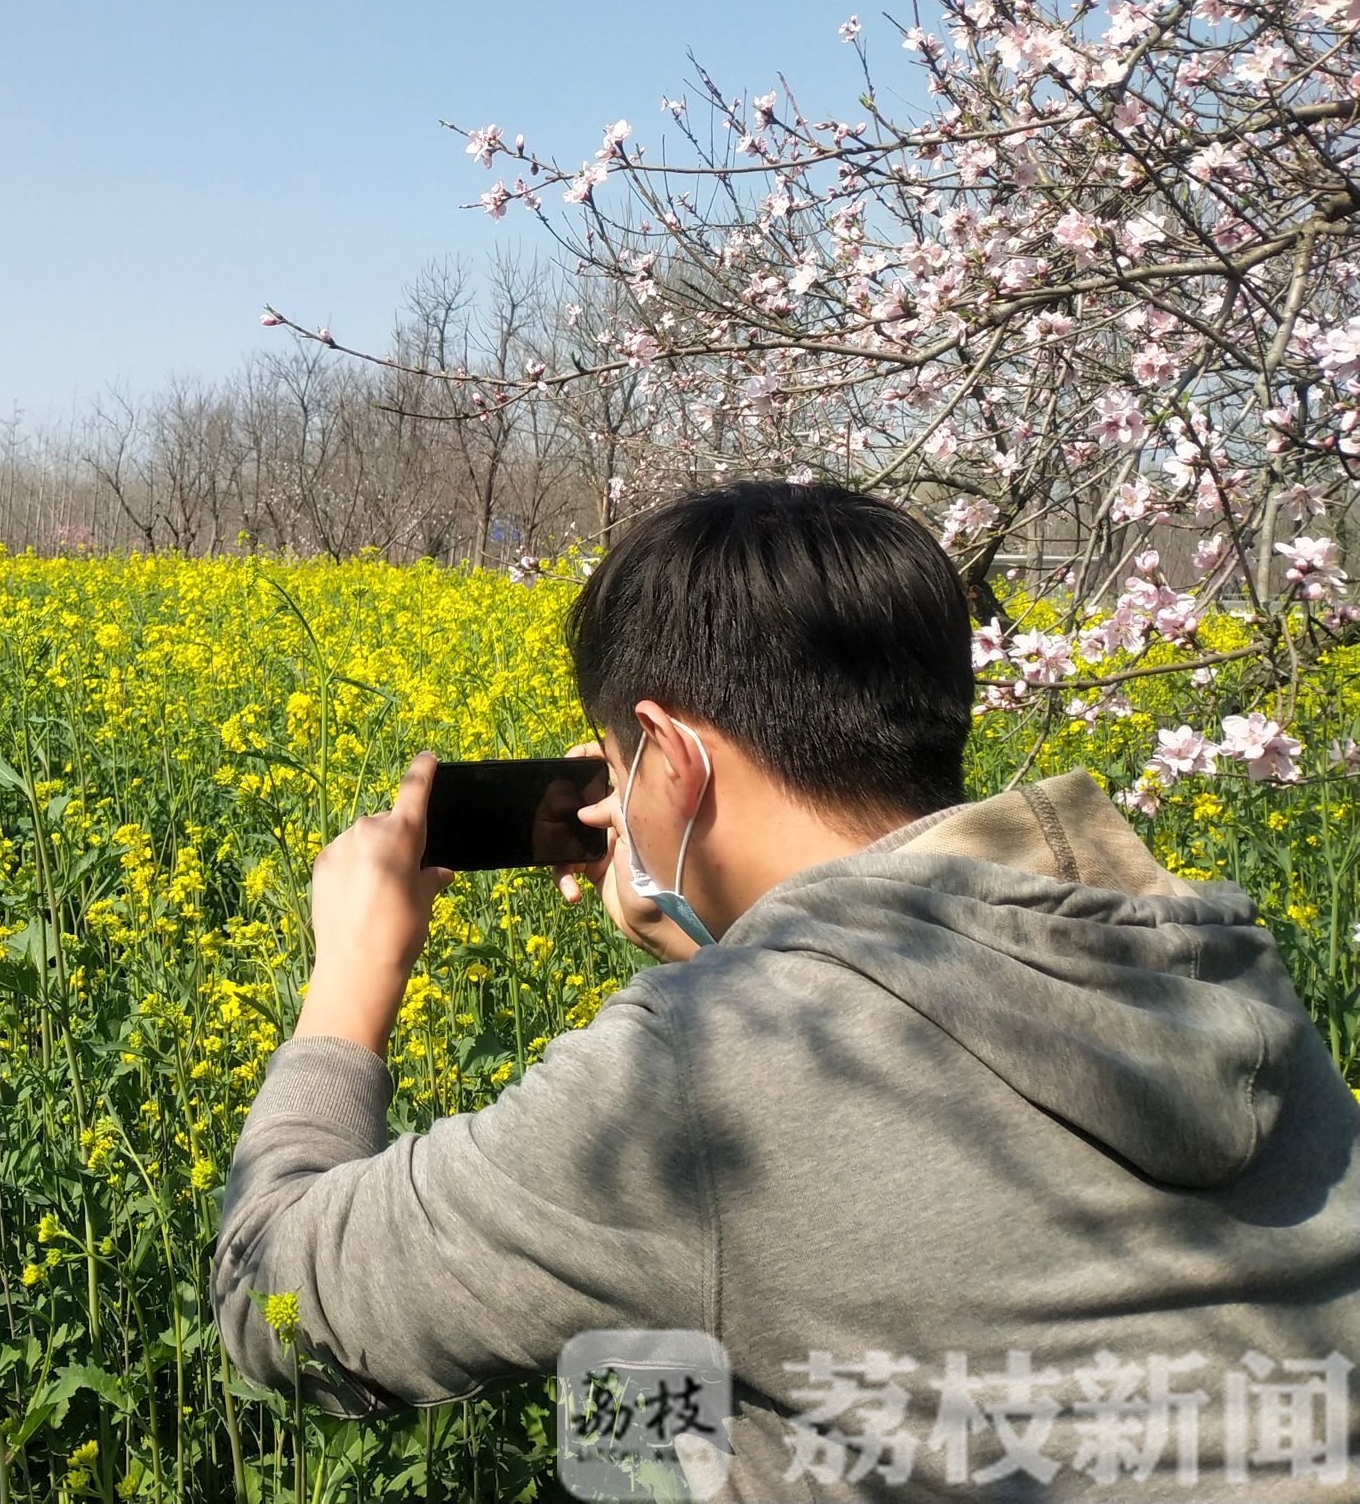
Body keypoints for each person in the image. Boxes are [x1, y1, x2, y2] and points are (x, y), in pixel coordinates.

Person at [212, 480, 1359, 1500]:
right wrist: (729, 950)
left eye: (615, 771)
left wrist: (354, 972)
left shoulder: (701, 1084)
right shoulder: (1215, 964)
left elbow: (279, 1308)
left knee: (619, 1397)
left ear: (670, 756)